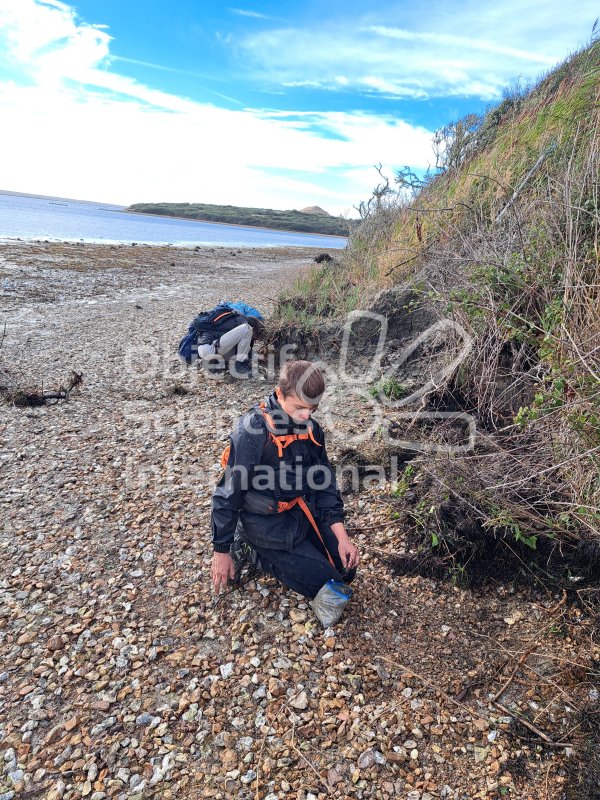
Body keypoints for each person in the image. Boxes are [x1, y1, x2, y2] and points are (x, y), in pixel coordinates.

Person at [210, 360, 360, 626]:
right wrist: (220, 551)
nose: (306, 416)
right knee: (333, 589)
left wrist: (342, 537)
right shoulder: (253, 431)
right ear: (280, 394)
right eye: (299, 407)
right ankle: (248, 547)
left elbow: (324, 485)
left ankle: (284, 551)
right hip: (265, 523)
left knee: (347, 572)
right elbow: (227, 493)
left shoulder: (312, 431)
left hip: (299, 510)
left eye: (312, 409)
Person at [190, 304, 259, 376]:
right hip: (210, 348)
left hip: (203, 349)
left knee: (237, 347)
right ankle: (240, 366)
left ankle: (213, 363)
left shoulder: (233, 320)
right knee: (246, 329)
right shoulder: (241, 322)